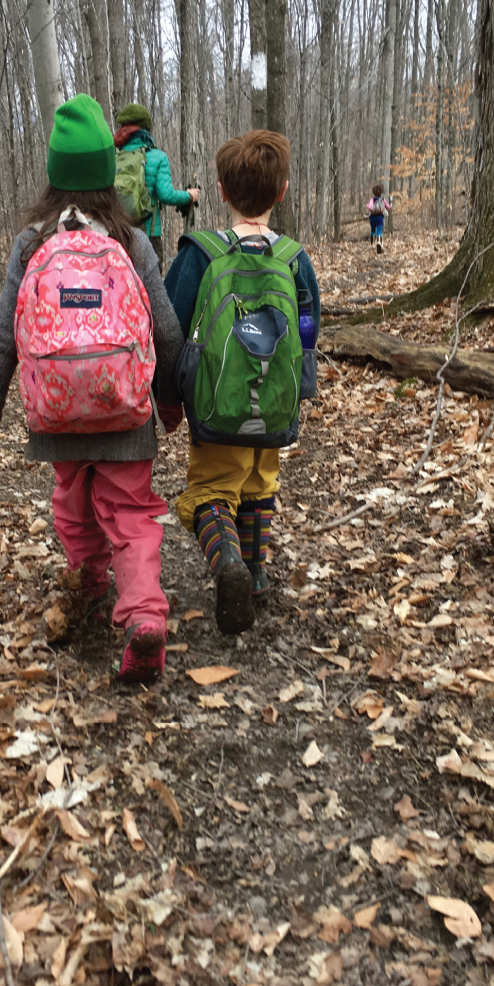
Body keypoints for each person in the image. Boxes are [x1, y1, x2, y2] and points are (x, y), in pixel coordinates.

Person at [0, 94, 184, 683]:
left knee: (73, 499)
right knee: (132, 511)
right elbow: (165, 329)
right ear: (105, 175)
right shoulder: (131, 241)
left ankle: (89, 578)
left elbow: (3, 341)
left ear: (54, 173)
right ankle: (143, 614)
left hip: (58, 416)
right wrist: (169, 402)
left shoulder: (31, 244)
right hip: (125, 413)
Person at [164, 129, 320, 635]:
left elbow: (168, 324)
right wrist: (299, 390)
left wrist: (167, 395)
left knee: (212, 490)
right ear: (282, 192)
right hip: (272, 400)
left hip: (216, 402)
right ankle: (253, 574)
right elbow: (308, 328)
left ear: (223, 192)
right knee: (259, 483)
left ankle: (227, 561)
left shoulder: (200, 253)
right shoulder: (294, 259)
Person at [113, 102, 200, 272]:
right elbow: (166, 194)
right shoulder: (157, 156)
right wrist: (189, 196)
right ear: (146, 128)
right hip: (148, 234)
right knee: (152, 290)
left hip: (117, 233)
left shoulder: (113, 156)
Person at [367, 183, 391, 253]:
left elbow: (369, 206)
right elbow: (388, 207)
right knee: (379, 231)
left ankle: (372, 244)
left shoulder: (372, 199)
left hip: (372, 218)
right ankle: (379, 242)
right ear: (381, 192)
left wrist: (368, 206)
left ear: (374, 192)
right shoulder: (383, 200)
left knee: (373, 230)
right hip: (380, 218)